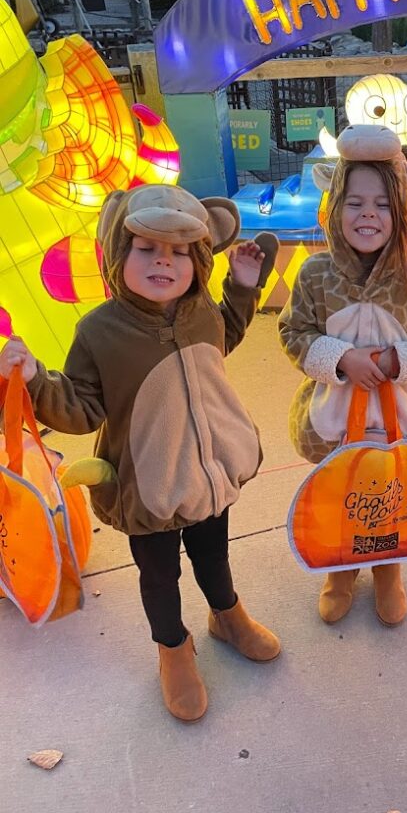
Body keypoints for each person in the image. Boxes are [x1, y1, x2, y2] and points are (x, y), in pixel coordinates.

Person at [0, 184, 281, 723]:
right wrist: (36, 381)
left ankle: (227, 615)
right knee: (159, 575)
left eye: (179, 251)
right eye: (147, 248)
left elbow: (227, 337)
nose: (163, 262)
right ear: (117, 253)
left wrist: (243, 287)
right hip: (146, 486)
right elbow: (81, 410)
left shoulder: (202, 311)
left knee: (213, 554)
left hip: (209, 473)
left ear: (199, 260)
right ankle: (172, 649)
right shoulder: (99, 331)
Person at [278, 124, 407, 627]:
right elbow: (293, 331)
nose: (368, 214)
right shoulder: (314, 275)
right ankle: (341, 571)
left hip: (399, 421)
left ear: (401, 211)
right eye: (355, 202)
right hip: (333, 421)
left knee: (388, 500)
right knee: (341, 494)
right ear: (336, 207)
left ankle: (388, 571)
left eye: (382, 205)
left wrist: (394, 363)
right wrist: (340, 359)